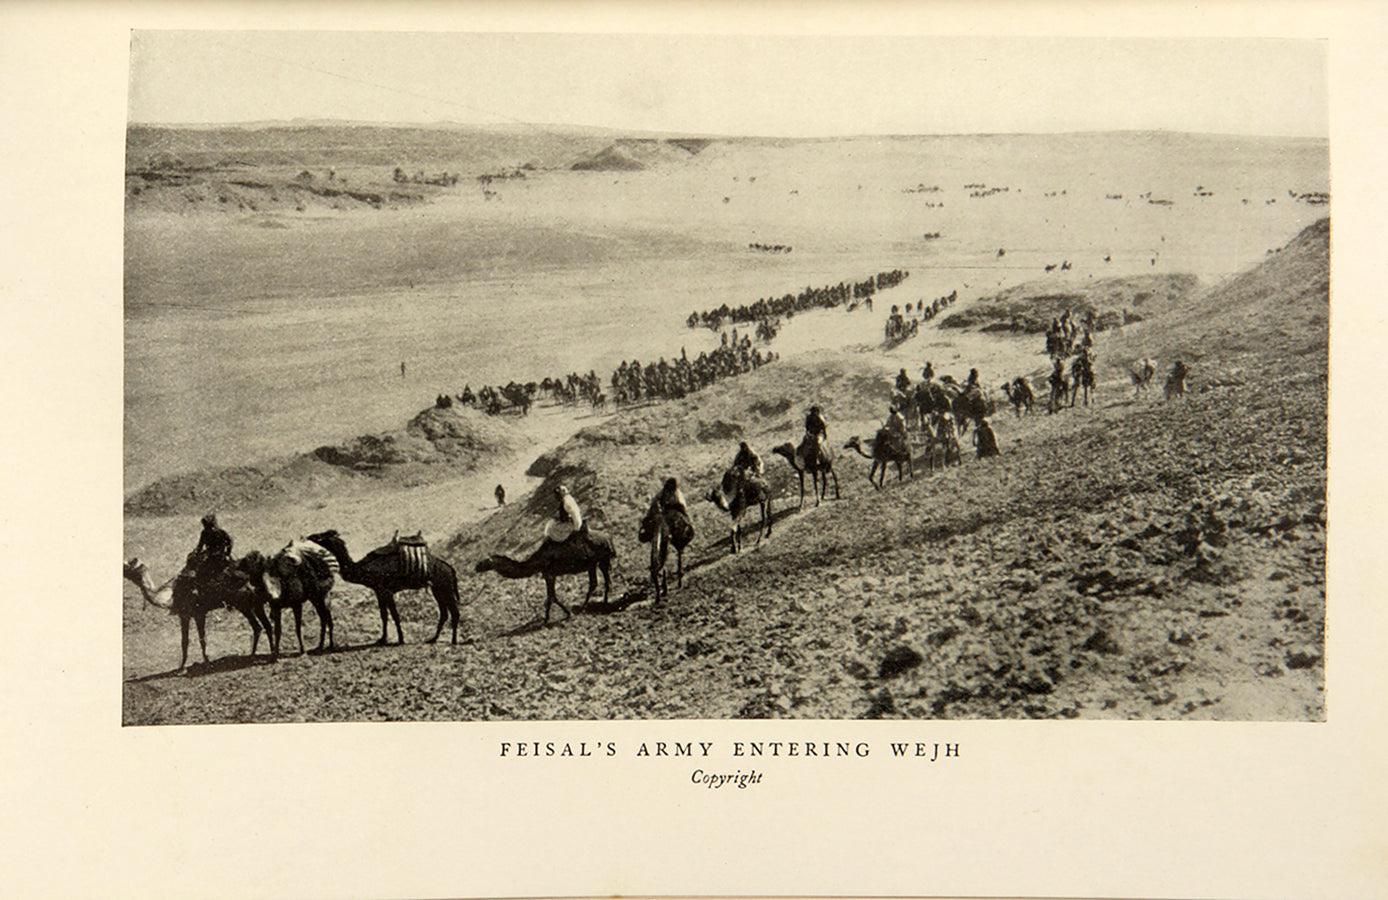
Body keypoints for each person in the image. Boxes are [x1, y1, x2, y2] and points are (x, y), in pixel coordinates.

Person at [192, 512, 233, 581]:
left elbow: (200, 546)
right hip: (218, 556)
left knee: (200, 573)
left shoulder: (207, 533)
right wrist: (228, 553)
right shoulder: (219, 532)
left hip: (215, 557)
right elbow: (229, 542)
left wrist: (196, 553)